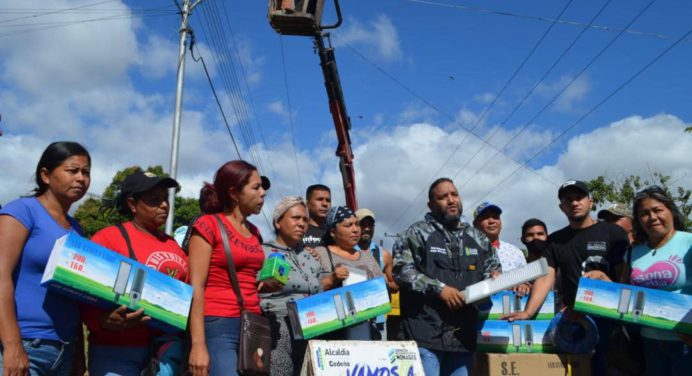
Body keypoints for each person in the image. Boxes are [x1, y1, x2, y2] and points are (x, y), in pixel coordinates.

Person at [504, 180, 628, 376]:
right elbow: (546, 277)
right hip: (574, 320)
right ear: (561, 207)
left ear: (590, 201)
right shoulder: (555, 240)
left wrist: (608, 284)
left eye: (579, 198)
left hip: (610, 321)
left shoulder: (614, 233)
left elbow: (625, 278)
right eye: (568, 200)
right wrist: (527, 313)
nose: (574, 203)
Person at [82, 171, 188, 376]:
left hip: (165, 354)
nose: (165, 205)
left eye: (165, 199)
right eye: (155, 200)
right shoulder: (108, 239)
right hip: (115, 353)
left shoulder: (174, 245)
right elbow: (83, 293)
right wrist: (102, 320)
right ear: (132, 204)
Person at [392, 178, 501, 376]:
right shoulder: (416, 232)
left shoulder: (478, 237)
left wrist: (494, 278)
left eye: (454, 194)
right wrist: (439, 288)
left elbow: (493, 267)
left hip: (463, 337)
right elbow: (402, 271)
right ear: (431, 205)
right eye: (443, 197)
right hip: (425, 334)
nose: (451, 200)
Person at [0, 141, 91, 375]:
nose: (81, 178)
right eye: (72, 170)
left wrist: (78, 354)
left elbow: (73, 294)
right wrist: (12, 346)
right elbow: (1, 276)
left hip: (64, 350)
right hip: (27, 346)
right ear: (46, 175)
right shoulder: (21, 211)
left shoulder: (77, 229)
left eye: (86, 172)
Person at [187, 160, 274, 376]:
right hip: (217, 324)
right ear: (234, 193)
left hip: (253, 325)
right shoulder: (208, 225)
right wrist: (198, 345)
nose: (263, 193)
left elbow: (248, 279)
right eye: (256, 187)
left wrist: (267, 285)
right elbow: (195, 285)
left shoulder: (255, 232)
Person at [622, 186, 691, 374]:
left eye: (658, 210)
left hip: (685, 342)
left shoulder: (688, 242)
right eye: (644, 213)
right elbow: (624, 293)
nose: (652, 217)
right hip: (649, 342)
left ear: (671, 211)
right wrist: (602, 279)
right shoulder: (632, 252)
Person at [260, 196, 323, 376]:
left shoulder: (311, 256)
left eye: (304, 219)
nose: (302, 224)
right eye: (295, 218)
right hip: (278, 329)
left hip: (312, 328)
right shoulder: (262, 252)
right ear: (278, 223)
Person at [314, 206, 384, 340]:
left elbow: (382, 292)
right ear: (333, 232)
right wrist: (332, 279)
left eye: (357, 224)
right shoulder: (320, 254)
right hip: (332, 334)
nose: (355, 229)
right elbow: (309, 289)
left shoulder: (367, 258)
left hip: (365, 331)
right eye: (348, 225)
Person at [354, 208, 399, 340]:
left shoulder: (383, 254)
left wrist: (384, 281)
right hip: (354, 320)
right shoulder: (346, 251)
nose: (367, 228)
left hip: (378, 321)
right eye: (362, 224)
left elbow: (394, 286)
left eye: (370, 225)